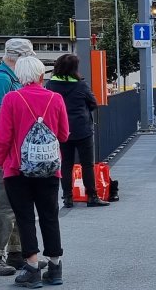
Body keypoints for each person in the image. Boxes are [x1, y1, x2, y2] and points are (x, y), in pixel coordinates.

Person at [0, 55, 70, 288]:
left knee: (25, 218)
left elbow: (3, 137)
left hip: (17, 170)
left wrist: (2, 162)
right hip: (49, 169)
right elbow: (64, 134)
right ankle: (55, 267)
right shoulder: (56, 98)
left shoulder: (11, 99)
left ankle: (32, 267)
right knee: (50, 215)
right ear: (40, 75)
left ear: (19, 75)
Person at [0, 38, 30, 276]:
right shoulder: (2, 80)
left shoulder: (8, 78)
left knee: (16, 199)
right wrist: (6, 152)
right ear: (19, 58)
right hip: (4, 145)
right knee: (2, 200)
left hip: (9, 145)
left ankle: (16, 253)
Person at [44, 53, 108, 208]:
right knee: (87, 164)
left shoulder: (51, 85)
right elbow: (93, 103)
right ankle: (92, 196)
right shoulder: (81, 85)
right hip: (82, 129)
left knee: (66, 164)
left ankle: (68, 198)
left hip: (61, 130)